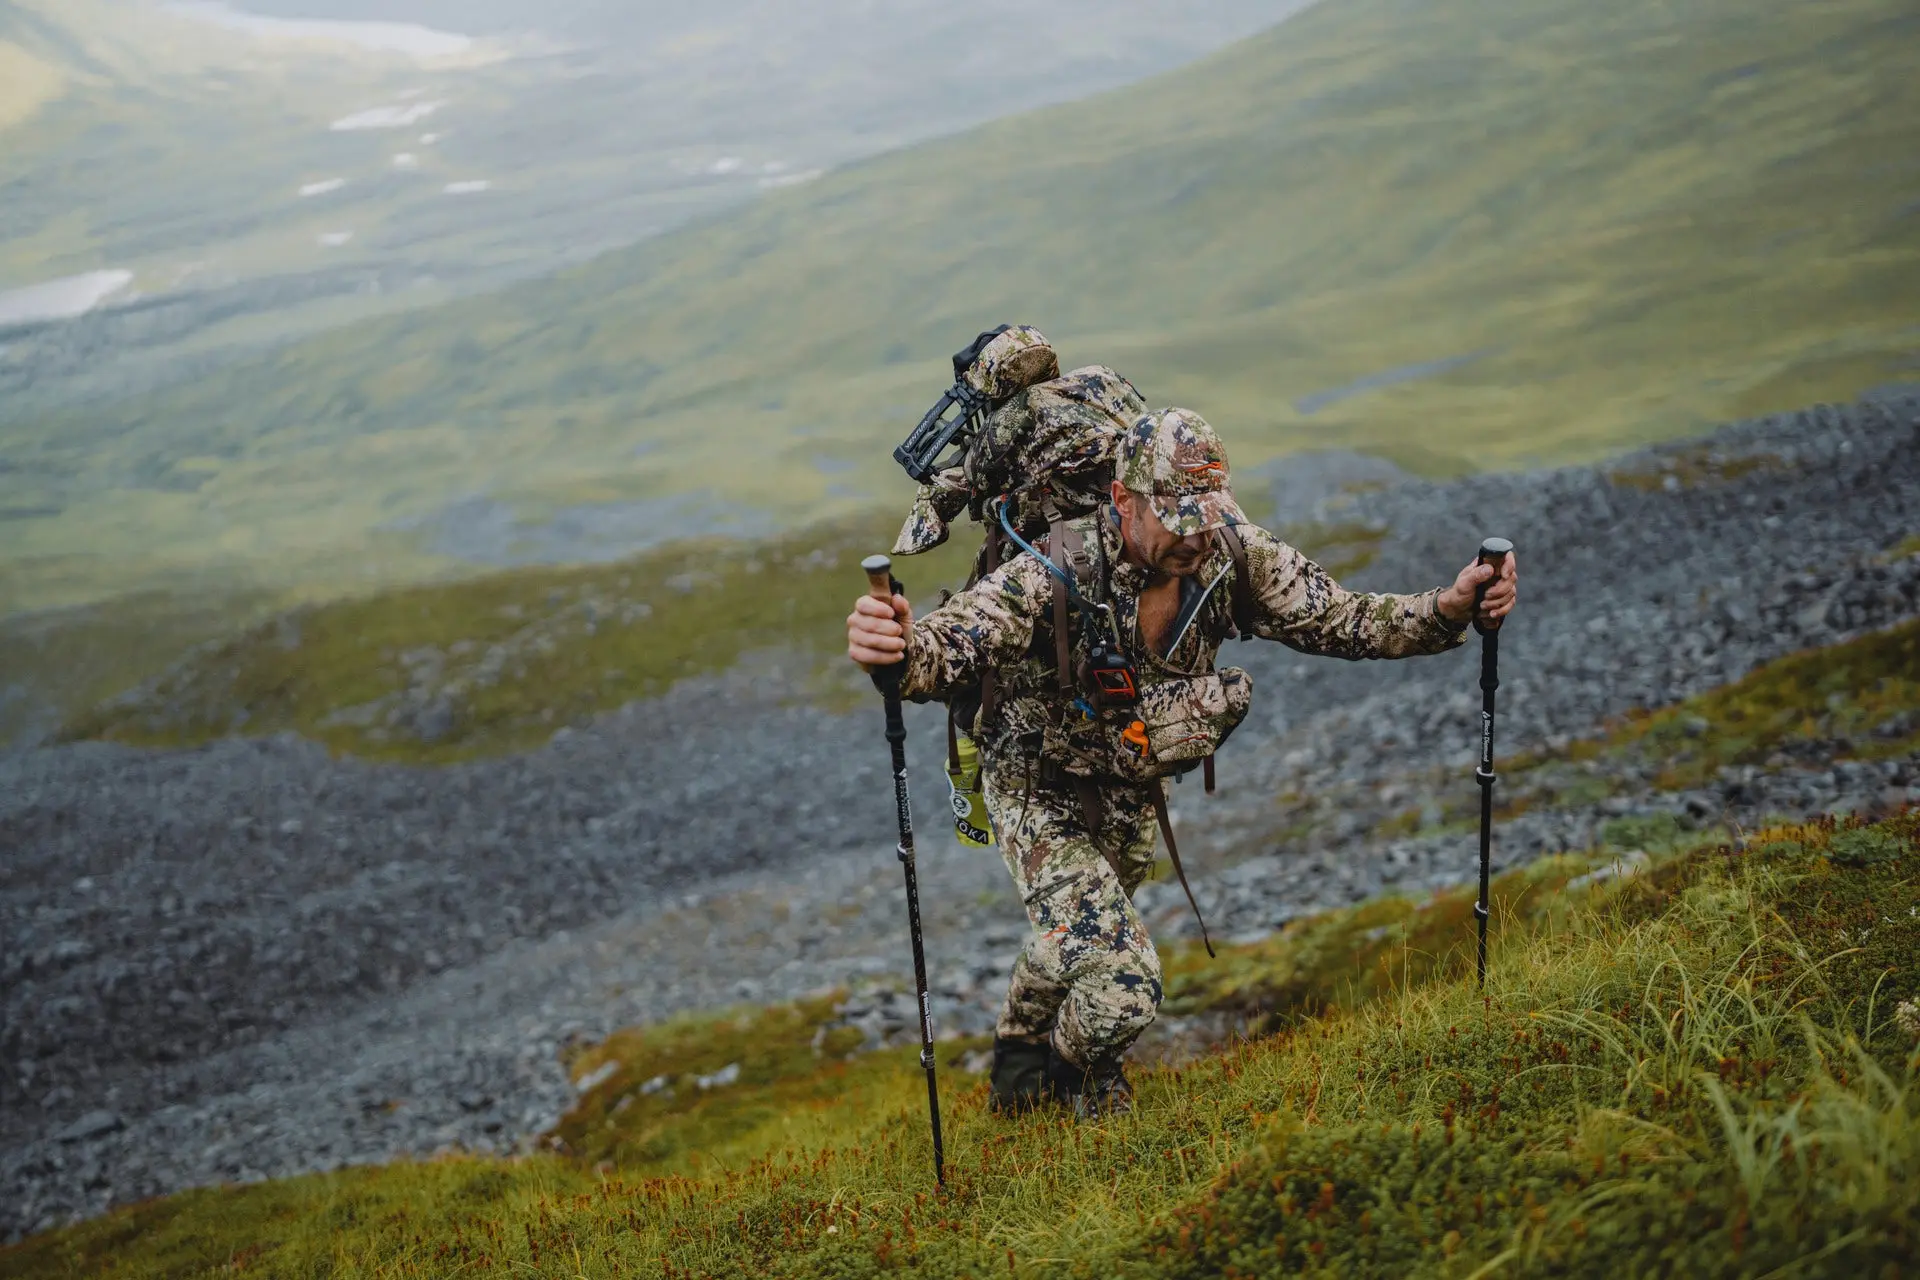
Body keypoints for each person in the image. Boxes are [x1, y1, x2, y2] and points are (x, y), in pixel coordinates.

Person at [846, 408, 1518, 1118]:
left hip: (1130, 786)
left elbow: (1343, 620)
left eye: (1207, 513)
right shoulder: (1050, 569)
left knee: (1076, 934)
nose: (1194, 534)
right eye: (1175, 516)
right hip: (1036, 785)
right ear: (1122, 502)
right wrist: (895, 646)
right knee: (1125, 981)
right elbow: (946, 649)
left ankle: (1015, 1060)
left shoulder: (1231, 555)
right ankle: (1065, 1083)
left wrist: (1450, 608)